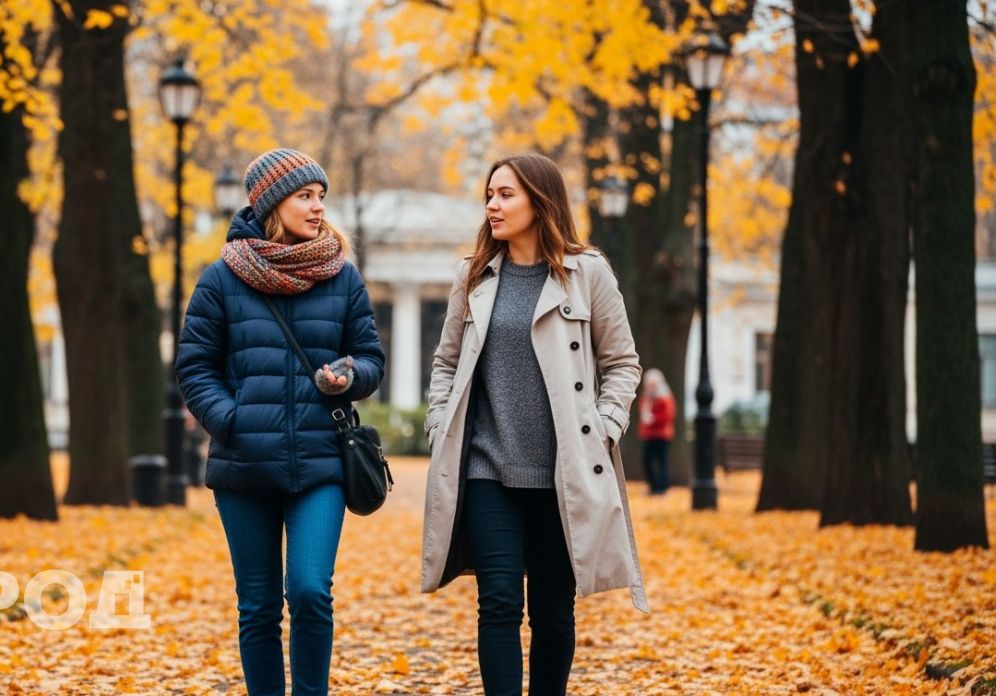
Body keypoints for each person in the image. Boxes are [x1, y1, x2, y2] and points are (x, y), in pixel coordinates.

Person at [421, 153, 647, 695]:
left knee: (553, 611)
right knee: (498, 601)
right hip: (485, 464)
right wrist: (438, 424)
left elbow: (622, 363)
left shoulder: (586, 272)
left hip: (561, 471)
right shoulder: (471, 276)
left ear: (539, 201)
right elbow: (446, 362)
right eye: (489, 195)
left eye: (505, 194)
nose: (492, 205)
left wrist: (606, 426)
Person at [175, 148, 385, 696]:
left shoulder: (342, 277)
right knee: (259, 606)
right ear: (270, 203)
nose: (318, 207)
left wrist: (349, 373)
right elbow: (195, 367)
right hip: (244, 466)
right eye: (304, 196)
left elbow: (370, 358)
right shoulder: (221, 279)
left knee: (311, 591)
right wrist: (231, 421)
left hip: (321, 464)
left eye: (321, 196)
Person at [637, 368, 676, 495]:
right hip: (649, 434)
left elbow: (667, 416)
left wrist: (653, 419)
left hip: (661, 434)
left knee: (661, 462)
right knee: (646, 460)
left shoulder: (665, 397)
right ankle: (653, 486)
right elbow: (642, 413)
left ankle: (662, 488)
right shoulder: (646, 397)